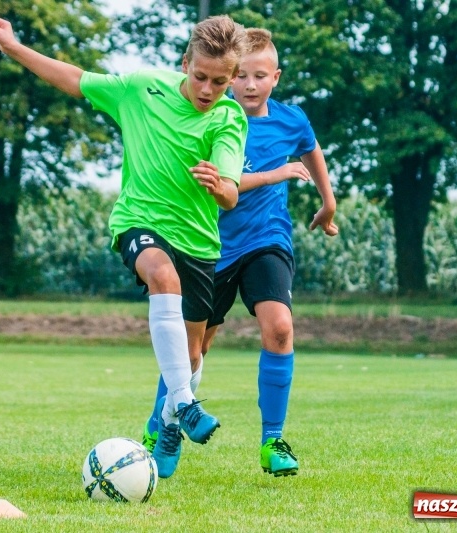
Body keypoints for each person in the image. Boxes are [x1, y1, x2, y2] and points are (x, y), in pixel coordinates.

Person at [0, 15, 248, 478]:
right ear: (185, 63)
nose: (207, 89)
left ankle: (167, 421)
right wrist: (15, 48)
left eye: (220, 82)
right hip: (138, 223)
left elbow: (230, 192)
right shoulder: (141, 87)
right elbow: (75, 79)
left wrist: (216, 185)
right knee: (162, 275)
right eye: (200, 76)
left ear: (232, 78)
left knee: (193, 355)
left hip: (200, 242)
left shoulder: (229, 116)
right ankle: (183, 404)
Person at [142, 28, 338, 477]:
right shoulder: (214, 120)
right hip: (208, 245)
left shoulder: (292, 120)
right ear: (229, 78)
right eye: (242, 77)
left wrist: (328, 203)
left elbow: (311, 152)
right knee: (193, 351)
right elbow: (224, 187)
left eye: (260, 76)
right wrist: (274, 174)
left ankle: (272, 441)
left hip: (266, 240)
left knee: (281, 327)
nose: (250, 85)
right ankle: (163, 423)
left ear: (275, 77)